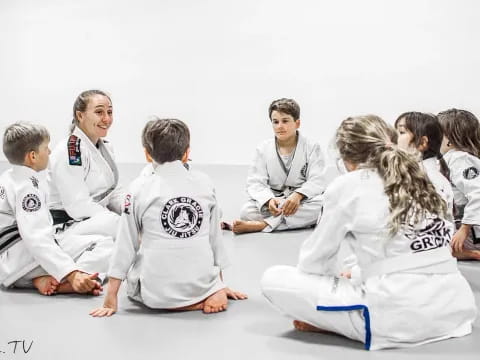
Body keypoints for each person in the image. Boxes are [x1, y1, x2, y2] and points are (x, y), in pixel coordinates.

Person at [261, 115, 477, 350]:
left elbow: (314, 262)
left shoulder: (349, 185)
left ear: (346, 159)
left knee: (273, 279)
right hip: (456, 308)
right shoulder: (433, 176)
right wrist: (357, 273)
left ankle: (335, 322)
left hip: (397, 319)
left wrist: (341, 281)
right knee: (364, 268)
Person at [90, 118, 247, 317]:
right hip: (200, 287)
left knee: (141, 259)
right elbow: (214, 238)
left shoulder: (138, 188)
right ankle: (205, 294)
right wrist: (218, 284)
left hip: (155, 295)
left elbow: (125, 244)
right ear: (187, 153)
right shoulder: (205, 183)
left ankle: (188, 299)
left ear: (147, 154)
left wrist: (111, 296)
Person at [0, 123, 111, 295]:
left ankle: (38, 278)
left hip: (10, 259)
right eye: (46, 148)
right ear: (33, 157)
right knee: (104, 245)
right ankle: (79, 280)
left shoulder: (8, 177)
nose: (50, 152)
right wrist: (71, 273)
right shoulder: (27, 189)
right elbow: (36, 237)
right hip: (20, 260)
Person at [228, 98, 325, 234]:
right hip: (276, 201)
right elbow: (255, 182)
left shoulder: (312, 147)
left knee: (323, 205)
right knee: (246, 211)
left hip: (301, 201)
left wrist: (297, 195)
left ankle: (261, 225)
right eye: (275, 122)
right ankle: (288, 222)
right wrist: (268, 201)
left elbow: (317, 180)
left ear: (297, 123)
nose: (280, 126)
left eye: (285, 121)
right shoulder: (263, 148)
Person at [48, 89, 124, 241]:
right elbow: (78, 206)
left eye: (109, 112)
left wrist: (130, 210)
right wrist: (116, 220)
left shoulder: (106, 148)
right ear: (80, 115)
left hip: (93, 219)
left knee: (138, 218)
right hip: (66, 225)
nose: (106, 119)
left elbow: (112, 192)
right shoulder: (70, 152)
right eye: (99, 112)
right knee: (123, 228)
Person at [438, 108, 480, 260]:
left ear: (449, 139)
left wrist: (464, 228)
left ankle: (469, 252)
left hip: (469, 232)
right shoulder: (447, 160)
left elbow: (478, 193)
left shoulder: (459, 159)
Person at [395, 112, 454, 218]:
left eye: (401, 132)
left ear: (422, 142)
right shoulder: (423, 175)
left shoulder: (429, 181)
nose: (394, 138)